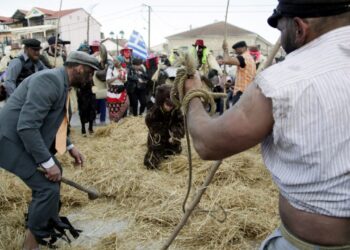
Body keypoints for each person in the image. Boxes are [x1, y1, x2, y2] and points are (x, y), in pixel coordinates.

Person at [184, 0, 350, 249]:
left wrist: (193, 96)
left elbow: (208, 143)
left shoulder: (285, 79)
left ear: (298, 27)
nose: (281, 38)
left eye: (281, 30)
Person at [0, 51, 100, 249]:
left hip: (21, 138)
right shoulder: (50, 81)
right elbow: (27, 127)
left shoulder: (61, 82)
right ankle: (31, 244)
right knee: (46, 187)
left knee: (56, 171)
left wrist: (70, 146)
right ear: (79, 68)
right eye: (90, 73)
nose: (91, 79)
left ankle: (45, 221)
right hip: (8, 141)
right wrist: (46, 163)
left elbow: (52, 121)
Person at [144, 84, 184, 169]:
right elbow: (150, 123)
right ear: (161, 101)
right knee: (151, 163)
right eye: (167, 104)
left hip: (171, 138)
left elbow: (181, 123)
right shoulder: (154, 111)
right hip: (158, 138)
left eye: (172, 105)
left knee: (175, 156)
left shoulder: (176, 110)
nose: (170, 107)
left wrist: (175, 133)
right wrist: (163, 131)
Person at [222, 40, 256, 105]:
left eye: (237, 49)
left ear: (243, 48)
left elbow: (226, 60)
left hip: (241, 93)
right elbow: (245, 76)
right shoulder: (250, 58)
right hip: (249, 92)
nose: (235, 51)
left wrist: (225, 49)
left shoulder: (243, 58)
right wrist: (231, 84)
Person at [106, 56, 129, 122]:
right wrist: (116, 77)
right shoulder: (110, 69)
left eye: (115, 60)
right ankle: (114, 122)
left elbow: (125, 81)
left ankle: (119, 119)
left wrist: (123, 78)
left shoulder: (123, 69)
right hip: (113, 90)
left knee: (126, 103)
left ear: (119, 62)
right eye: (113, 60)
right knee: (113, 108)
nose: (113, 61)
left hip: (121, 89)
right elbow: (108, 81)